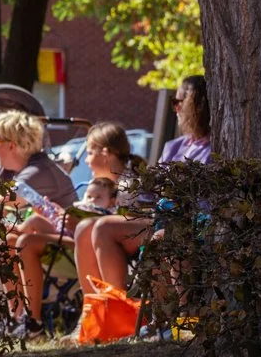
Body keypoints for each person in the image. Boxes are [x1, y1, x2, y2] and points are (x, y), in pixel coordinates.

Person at [76, 75, 214, 299]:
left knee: (107, 228)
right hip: (162, 214)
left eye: (177, 102)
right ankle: (98, 312)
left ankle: (123, 312)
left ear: (194, 105)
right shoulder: (174, 146)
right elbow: (151, 191)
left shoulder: (213, 146)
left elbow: (203, 196)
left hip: (193, 220)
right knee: (88, 227)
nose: (175, 109)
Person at [0, 109, 79, 336]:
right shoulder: (5, 169)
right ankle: (17, 317)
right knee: (6, 239)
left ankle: (32, 320)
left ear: (11, 144)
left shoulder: (39, 171)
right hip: (39, 241)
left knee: (18, 237)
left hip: (68, 247)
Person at [76, 121, 138, 213]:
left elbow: (119, 225)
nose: (86, 160)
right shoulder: (97, 183)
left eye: (90, 153)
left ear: (105, 153)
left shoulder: (128, 189)